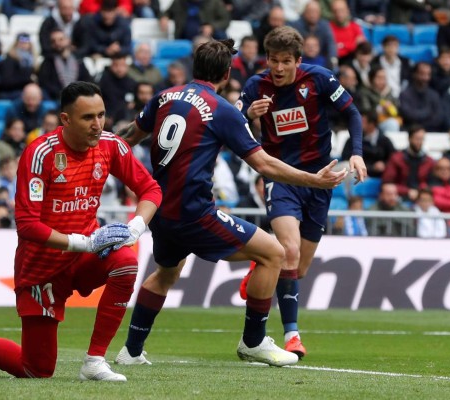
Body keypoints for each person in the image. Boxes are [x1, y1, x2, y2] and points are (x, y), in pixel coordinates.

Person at [113, 38, 348, 367]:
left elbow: (126, 138)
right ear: (226, 74)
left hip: (161, 210)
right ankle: (253, 342)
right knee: (274, 254)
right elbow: (264, 165)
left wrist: (96, 162)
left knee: (165, 274)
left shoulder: (164, 97)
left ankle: (132, 351)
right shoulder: (221, 109)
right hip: (194, 212)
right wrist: (314, 179)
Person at [0, 81, 162, 382]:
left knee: (126, 262)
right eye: (88, 118)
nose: (97, 125)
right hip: (42, 267)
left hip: (84, 257)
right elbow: (27, 224)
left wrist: (136, 226)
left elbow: (150, 189)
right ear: (65, 119)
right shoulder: (40, 153)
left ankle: (95, 361)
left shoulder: (111, 146)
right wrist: (82, 242)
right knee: (36, 370)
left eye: (101, 115)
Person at [236, 26, 366, 358]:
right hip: (281, 178)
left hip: (319, 180)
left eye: (284, 62)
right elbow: (230, 123)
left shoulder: (319, 79)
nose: (277, 69)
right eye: (272, 61)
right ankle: (292, 336)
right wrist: (248, 115)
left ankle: (260, 265)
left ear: (297, 60)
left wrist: (357, 152)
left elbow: (352, 112)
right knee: (289, 252)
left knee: (299, 268)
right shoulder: (256, 87)